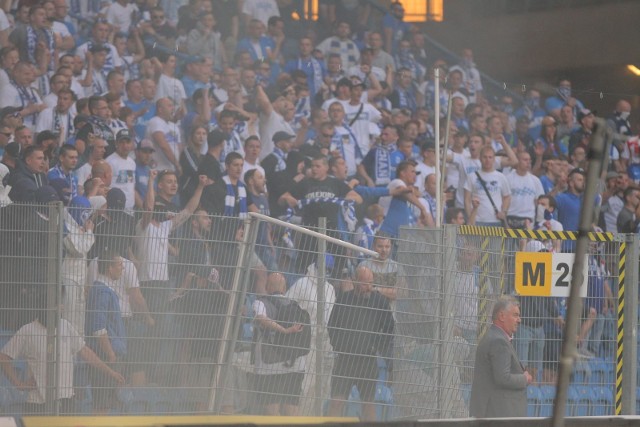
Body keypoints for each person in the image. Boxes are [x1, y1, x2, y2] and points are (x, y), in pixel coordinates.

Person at [327, 266, 394, 421]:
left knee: (368, 404)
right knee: (336, 402)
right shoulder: (344, 299)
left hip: (367, 361)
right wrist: (340, 346)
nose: (369, 287)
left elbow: (390, 329)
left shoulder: (379, 302)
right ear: (355, 281)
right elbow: (332, 326)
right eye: (365, 283)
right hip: (345, 361)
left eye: (371, 283)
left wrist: (376, 346)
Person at [469, 295, 532, 418]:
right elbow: (503, 378)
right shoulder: (499, 341)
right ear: (502, 316)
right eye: (515, 315)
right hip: (498, 415)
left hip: (496, 413)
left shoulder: (496, 337)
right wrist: (524, 378)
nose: (519, 320)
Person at [252, 272, 306, 416]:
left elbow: (261, 318)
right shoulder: (295, 305)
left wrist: (283, 330)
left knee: (272, 409)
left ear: (267, 287)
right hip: (295, 364)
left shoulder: (260, 302)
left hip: (268, 365)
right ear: (285, 288)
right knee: (292, 407)